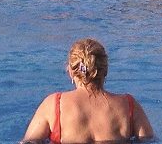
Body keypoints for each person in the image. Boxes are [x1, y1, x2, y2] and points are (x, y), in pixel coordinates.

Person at [22, 39, 154, 144]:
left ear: (71, 71)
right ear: (105, 71)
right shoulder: (129, 106)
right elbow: (149, 140)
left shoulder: (54, 105)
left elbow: (29, 141)